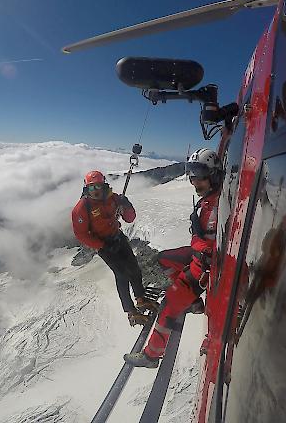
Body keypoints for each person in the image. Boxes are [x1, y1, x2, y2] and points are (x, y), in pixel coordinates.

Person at [124, 148, 222, 368]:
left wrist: (197, 242)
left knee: (168, 305)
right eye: (192, 174)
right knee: (164, 258)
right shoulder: (211, 199)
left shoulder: (216, 207)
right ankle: (194, 302)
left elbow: (210, 247)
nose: (194, 180)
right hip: (199, 258)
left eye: (199, 174)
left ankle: (151, 356)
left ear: (213, 175)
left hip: (203, 267)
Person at [71, 170, 158, 326]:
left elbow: (129, 218)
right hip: (104, 245)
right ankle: (131, 312)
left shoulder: (114, 198)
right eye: (92, 188)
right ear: (86, 189)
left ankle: (141, 299)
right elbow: (81, 234)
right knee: (122, 274)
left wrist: (127, 205)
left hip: (117, 237)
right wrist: (101, 246)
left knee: (134, 268)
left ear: (104, 185)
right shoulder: (82, 208)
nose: (96, 191)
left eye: (98, 186)